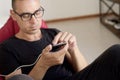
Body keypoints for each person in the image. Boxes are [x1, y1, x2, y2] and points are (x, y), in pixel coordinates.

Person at [0, 0, 120, 80]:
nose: (34, 20)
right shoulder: (7, 48)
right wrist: (43, 65)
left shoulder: (54, 34)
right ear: (14, 15)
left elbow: (85, 71)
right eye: (26, 15)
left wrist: (74, 49)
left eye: (37, 12)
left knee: (116, 51)